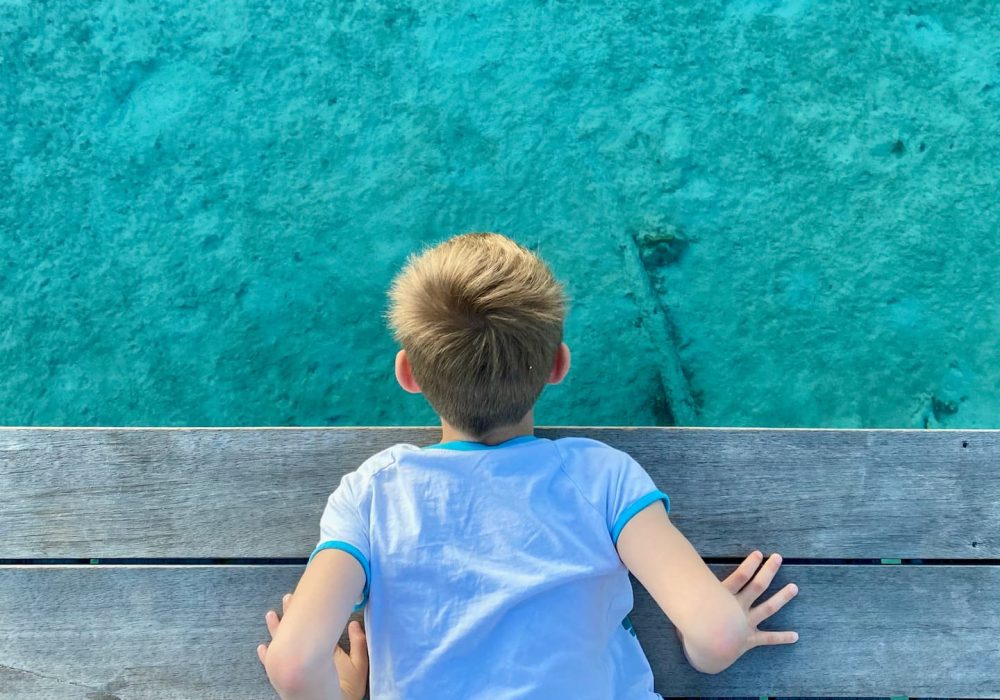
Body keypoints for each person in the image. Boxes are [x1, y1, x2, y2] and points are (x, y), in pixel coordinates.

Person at [255, 232, 799, 699]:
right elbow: (719, 635)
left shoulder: (373, 493)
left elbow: (294, 663)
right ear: (559, 364)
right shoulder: (601, 478)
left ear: (408, 374)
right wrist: (710, 645)